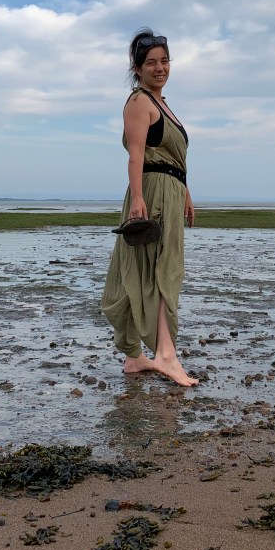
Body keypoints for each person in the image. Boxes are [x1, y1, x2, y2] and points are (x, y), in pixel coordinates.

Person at [101, 28, 198, 387]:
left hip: (170, 191)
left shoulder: (163, 104)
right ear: (138, 69)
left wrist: (185, 192)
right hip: (153, 194)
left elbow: (172, 159)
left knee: (147, 271)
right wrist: (139, 198)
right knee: (161, 273)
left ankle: (133, 357)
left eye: (165, 61)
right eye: (151, 63)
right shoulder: (139, 103)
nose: (160, 68)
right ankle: (166, 356)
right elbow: (137, 155)